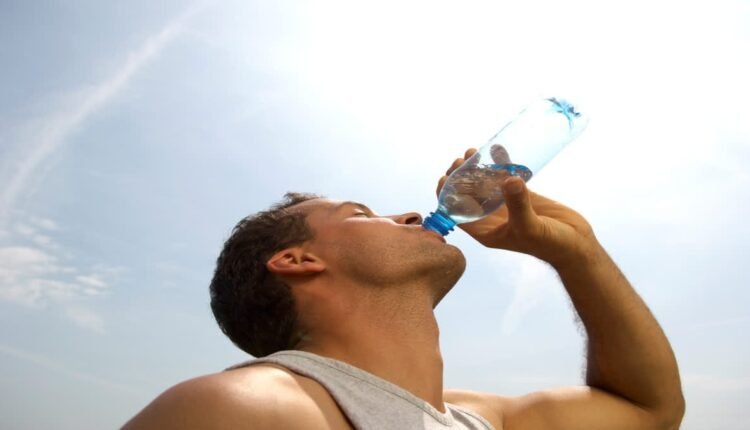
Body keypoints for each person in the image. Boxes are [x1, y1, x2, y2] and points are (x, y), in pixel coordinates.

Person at [123, 148, 685, 429]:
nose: (412, 214)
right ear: (298, 260)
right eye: (361, 213)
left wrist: (576, 252)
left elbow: (649, 410)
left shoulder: (472, 418)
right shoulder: (250, 409)